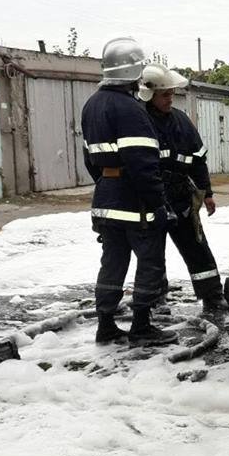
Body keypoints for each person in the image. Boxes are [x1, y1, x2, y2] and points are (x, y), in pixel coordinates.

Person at [81, 38, 178, 346]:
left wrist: (107, 182)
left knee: (112, 263)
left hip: (106, 199)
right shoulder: (130, 109)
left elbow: (90, 159)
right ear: (135, 71)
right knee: (150, 262)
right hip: (135, 202)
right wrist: (158, 204)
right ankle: (140, 326)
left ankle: (106, 325)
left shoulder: (92, 105)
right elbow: (143, 165)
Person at [138, 64, 227, 313]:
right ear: (150, 95)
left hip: (181, 196)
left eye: (171, 94)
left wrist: (207, 193)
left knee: (197, 248)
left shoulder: (181, 120)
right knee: (153, 253)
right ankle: (155, 296)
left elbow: (198, 160)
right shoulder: (138, 120)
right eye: (165, 94)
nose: (170, 99)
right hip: (152, 198)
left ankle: (212, 295)